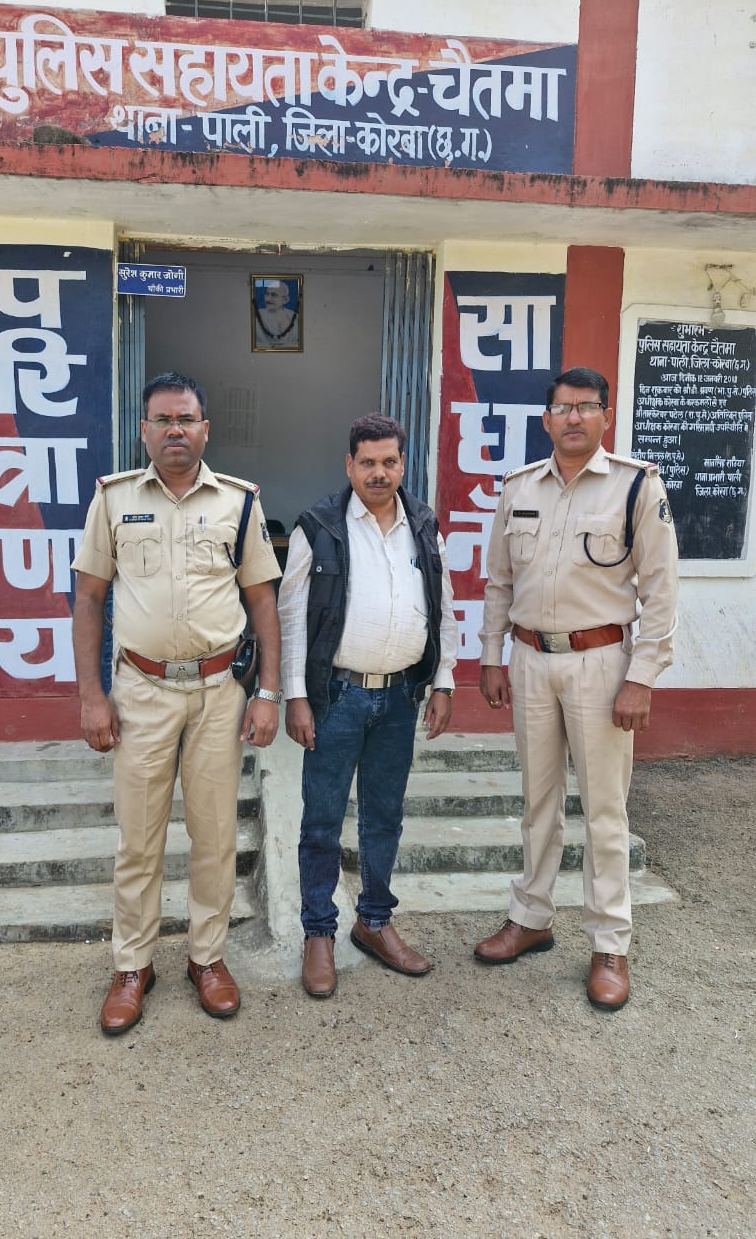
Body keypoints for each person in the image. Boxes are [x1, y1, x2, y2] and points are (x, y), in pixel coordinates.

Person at [72, 371, 282, 1035]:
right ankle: (132, 965)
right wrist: (91, 696)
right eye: (162, 420)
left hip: (220, 692)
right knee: (139, 838)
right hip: (141, 690)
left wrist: (267, 692)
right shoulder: (113, 499)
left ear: (205, 429)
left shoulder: (239, 503)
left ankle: (206, 957)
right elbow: (89, 599)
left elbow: (263, 602)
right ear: (144, 430)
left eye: (185, 419)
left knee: (214, 836)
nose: (174, 431)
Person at [474, 367, 679, 1011]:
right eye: (562, 408)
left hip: (602, 664)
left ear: (605, 417)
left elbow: (661, 591)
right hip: (531, 660)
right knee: (538, 801)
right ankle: (531, 917)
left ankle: (609, 943)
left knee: (604, 809)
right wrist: (491, 656)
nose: (573, 418)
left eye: (586, 407)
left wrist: (641, 678)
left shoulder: (636, 486)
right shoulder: (519, 487)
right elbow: (499, 582)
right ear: (546, 419)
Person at [278, 412, 458, 997]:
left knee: (385, 817)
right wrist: (296, 697)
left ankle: (375, 922)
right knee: (322, 822)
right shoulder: (318, 526)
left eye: (389, 462)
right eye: (368, 462)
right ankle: (318, 933)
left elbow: (443, 606)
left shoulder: (423, 524)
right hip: (337, 698)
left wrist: (444, 682)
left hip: (401, 697)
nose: (379, 473)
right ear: (349, 465)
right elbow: (291, 617)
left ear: (403, 464)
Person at [253, 279, 299, 348]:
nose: (268, 299)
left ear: (285, 300)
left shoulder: (295, 316)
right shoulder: (257, 316)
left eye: (273, 295)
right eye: (267, 294)